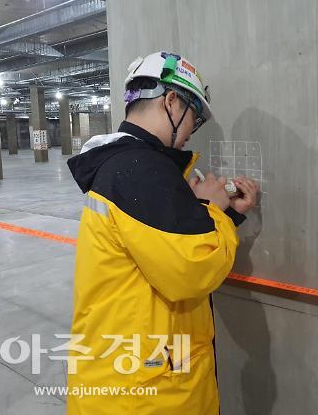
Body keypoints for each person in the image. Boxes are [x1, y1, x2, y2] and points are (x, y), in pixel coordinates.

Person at [66, 51, 260, 413]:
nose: (191, 132)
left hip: (123, 375)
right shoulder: (142, 171)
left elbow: (162, 250)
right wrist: (212, 209)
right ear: (171, 101)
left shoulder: (122, 164)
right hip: (147, 391)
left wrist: (219, 214)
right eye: (194, 119)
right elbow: (193, 270)